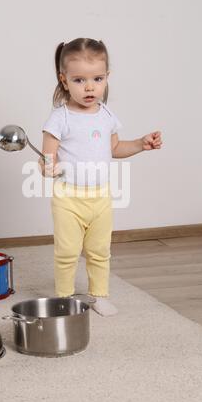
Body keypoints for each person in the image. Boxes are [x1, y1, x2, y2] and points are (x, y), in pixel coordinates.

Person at [39, 38, 163, 316]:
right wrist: (48, 166)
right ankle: (64, 297)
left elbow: (115, 148)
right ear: (64, 80)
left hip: (101, 197)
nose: (90, 87)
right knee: (68, 252)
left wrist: (141, 144)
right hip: (69, 198)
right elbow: (48, 157)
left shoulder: (106, 115)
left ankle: (99, 295)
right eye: (80, 80)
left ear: (107, 77)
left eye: (97, 78)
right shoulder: (60, 118)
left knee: (99, 251)